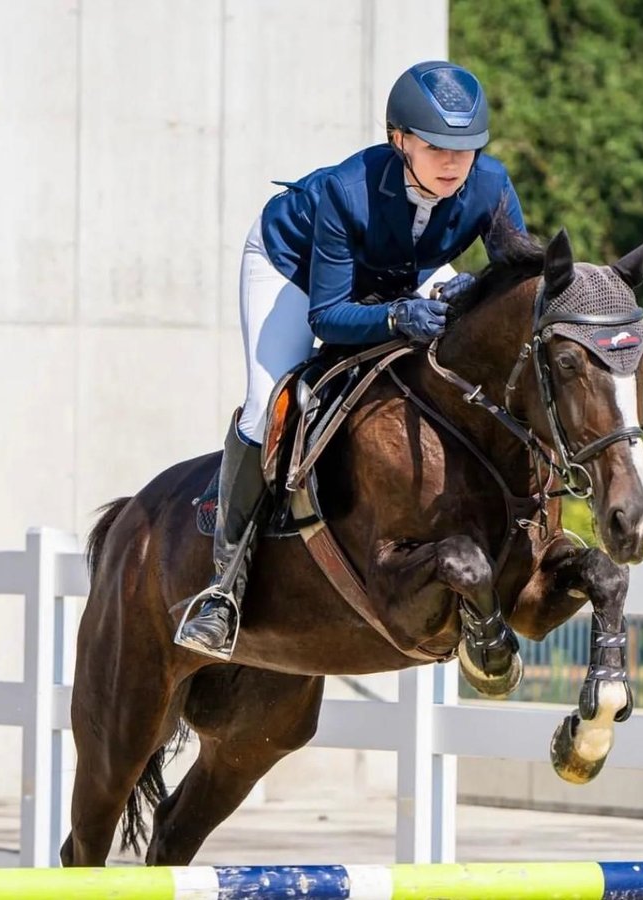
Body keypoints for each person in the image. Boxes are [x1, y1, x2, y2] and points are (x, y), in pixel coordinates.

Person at [175, 60, 528, 657]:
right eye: (437, 147)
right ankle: (224, 588)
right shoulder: (346, 192)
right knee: (268, 406)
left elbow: (516, 279)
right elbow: (329, 317)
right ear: (399, 140)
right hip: (294, 266)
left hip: (399, 266)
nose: (453, 163)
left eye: (465, 149)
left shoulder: (490, 186)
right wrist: (395, 318)